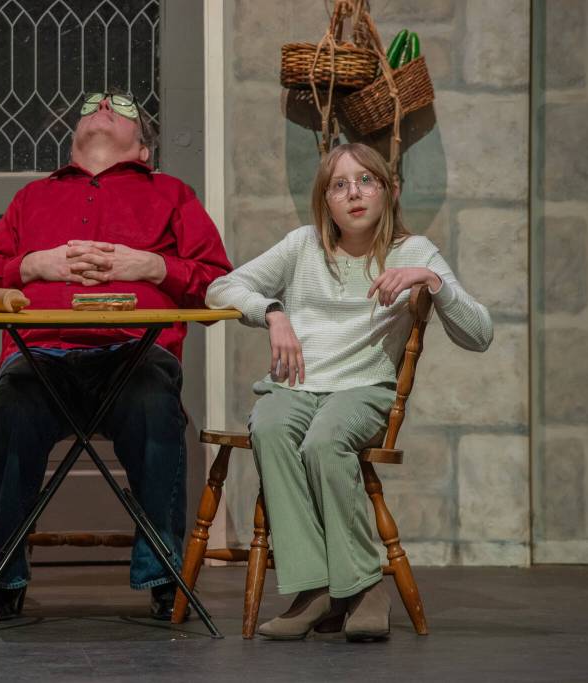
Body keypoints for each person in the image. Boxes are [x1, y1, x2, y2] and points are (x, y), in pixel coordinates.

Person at [205, 142, 493, 642]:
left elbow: (480, 333)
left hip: (362, 389)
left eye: (366, 181)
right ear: (326, 202)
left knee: (324, 441)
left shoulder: (414, 252)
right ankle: (314, 588)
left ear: (389, 190)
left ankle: (363, 586)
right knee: (270, 428)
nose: (353, 193)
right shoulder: (302, 247)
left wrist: (433, 281)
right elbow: (220, 288)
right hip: (296, 387)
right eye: (339, 185)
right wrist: (273, 313)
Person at [0, 91, 232, 620]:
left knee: (156, 402)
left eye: (125, 108)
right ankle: (5, 576)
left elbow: (222, 283)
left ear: (145, 150)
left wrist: (154, 268)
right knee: (12, 405)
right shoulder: (32, 199)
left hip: (134, 356)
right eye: (94, 104)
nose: (107, 106)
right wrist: (34, 265)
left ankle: (162, 574)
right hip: (42, 359)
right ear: (72, 139)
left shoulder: (173, 194)